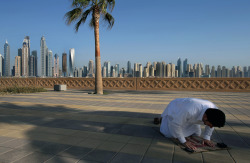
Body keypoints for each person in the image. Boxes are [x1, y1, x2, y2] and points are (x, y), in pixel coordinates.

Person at [160, 98, 225, 150]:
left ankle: (183, 122)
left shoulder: (214, 111)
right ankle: (164, 119)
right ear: (205, 117)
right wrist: (183, 141)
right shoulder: (189, 110)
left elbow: (211, 125)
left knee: (197, 134)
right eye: (211, 124)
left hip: (189, 116)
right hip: (176, 108)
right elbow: (175, 124)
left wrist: (207, 138)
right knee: (170, 134)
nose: (211, 127)